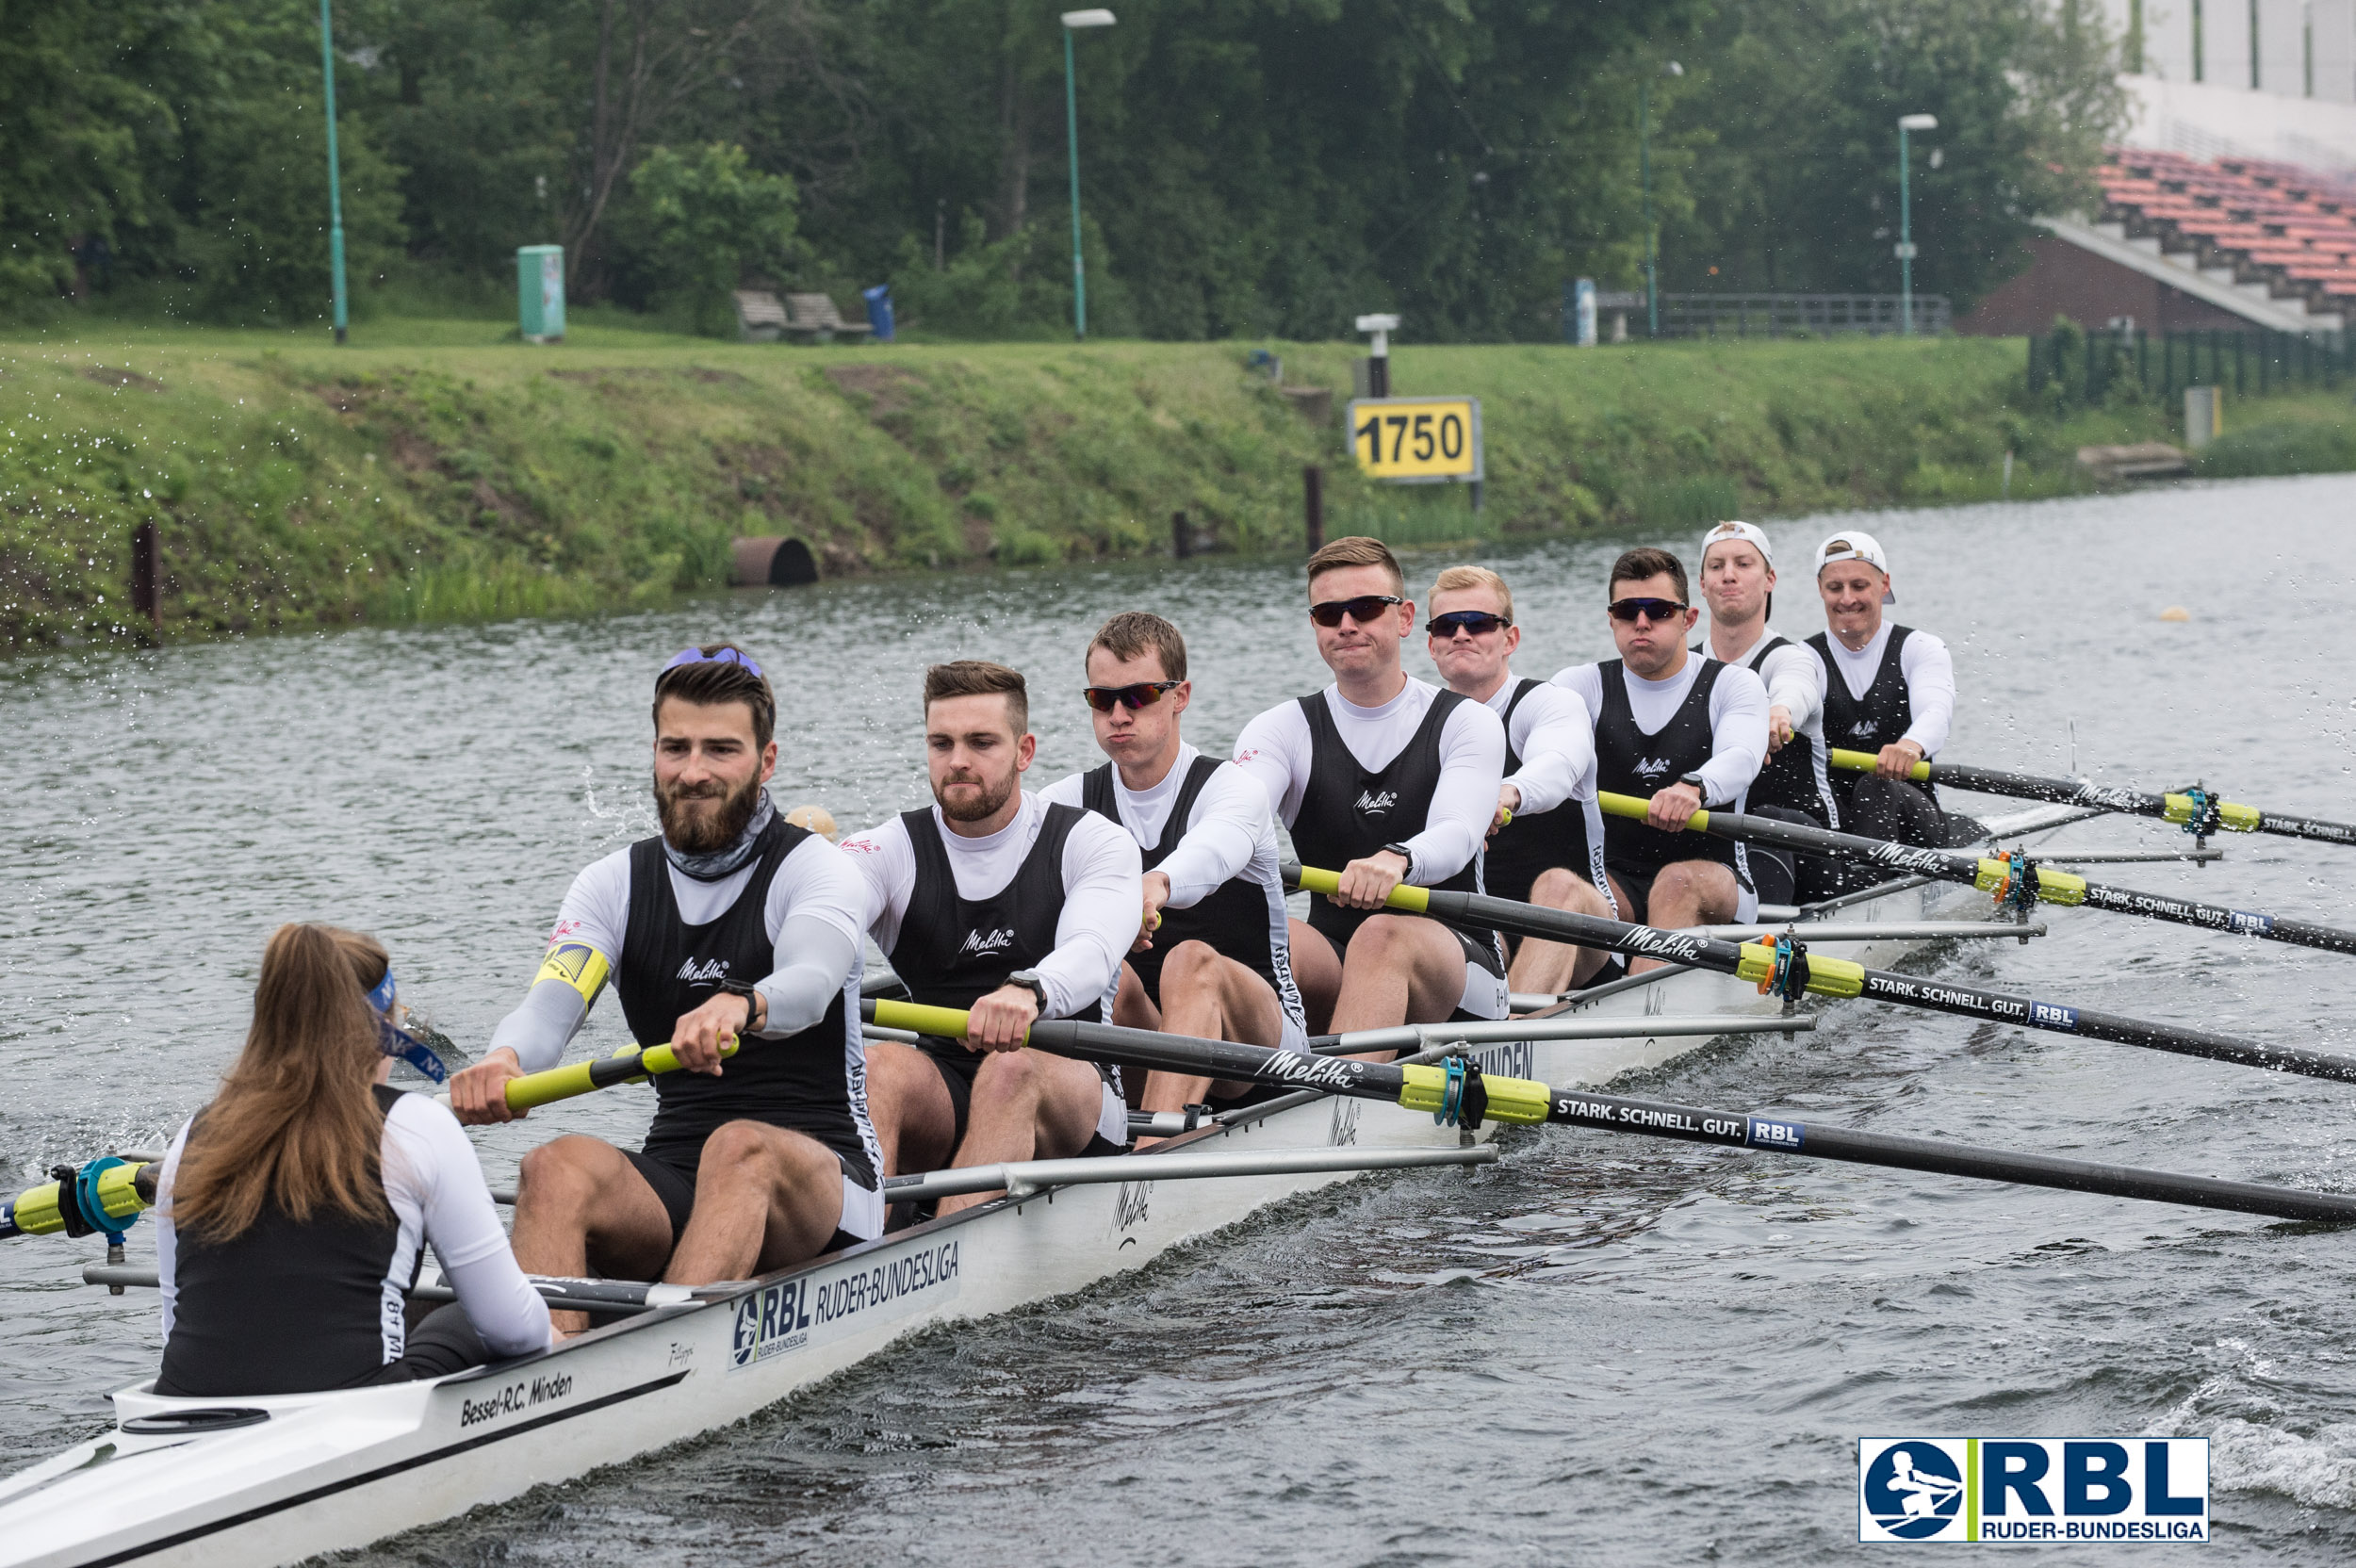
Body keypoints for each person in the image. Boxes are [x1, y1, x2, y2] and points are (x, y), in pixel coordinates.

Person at [447, 645, 882, 1330]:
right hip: (678, 1171)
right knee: (553, 1166)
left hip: (828, 1180)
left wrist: (742, 1004)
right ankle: (539, 1380)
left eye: (721, 750)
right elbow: (548, 1008)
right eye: (674, 747)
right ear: (653, 752)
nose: (693, 771)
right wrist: (506, 1060)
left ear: (766, 763)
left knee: (741, 1146)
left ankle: (653, 1362)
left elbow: (810, 984)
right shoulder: (612, 885)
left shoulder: (818, 872)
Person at [155, 924, 550, 1396]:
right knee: (466, 1312)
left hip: (175, 1403)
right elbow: (514, 1330)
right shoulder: (415, 1123)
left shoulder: (191, 1139)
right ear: (384, 1031)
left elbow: (173, 1324)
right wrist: (562, 1343)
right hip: (354, 1405)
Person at [843, 661, 1141, 1213]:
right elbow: (827, 922)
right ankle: (857, 1254)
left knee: (1010, 1068)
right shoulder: (890, 850)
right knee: (884, 1067)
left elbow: (1095, 950)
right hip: (947, 1091)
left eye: (981, 742)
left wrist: (1030, 990)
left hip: (1072, 1093)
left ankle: (934, 1267)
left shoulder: (1091, 841)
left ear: (1024, 752)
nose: (958, 761)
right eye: (942, 743)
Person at [1233, 536, 1510, 1046]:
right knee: (1240, 941)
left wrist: (1397, 859)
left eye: (1364, 608)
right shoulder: (1279, 730)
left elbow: (1458, 832)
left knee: (1381, 936)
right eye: (1328, 613)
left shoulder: (1465, 722)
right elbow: (1233, 820)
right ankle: (1191, 1117)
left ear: (1404, 619)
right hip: (1334, 952)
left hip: (1459, 959)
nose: (1346, 625)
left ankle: (1330, 1108)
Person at [1037, 612, 1308, 1129]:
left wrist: (1155, 884)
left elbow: (1211, 851)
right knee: (1101, 973)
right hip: (1152, 1033)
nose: (1118, 714)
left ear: (1179, 696)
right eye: (1102, 699)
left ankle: (1148, 1160)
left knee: (1191, 961)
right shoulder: (1067, 802)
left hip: (1260, 1047)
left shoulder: (1234, 790)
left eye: (1137, 696)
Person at [1552, 547, 1770, 972]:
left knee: (1675, 883)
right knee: (1558, 886)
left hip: (1715, 878)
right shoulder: (1579, 686)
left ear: (1688, 619)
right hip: (1614, 879)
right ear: (1611, 618)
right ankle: (1521, 1024)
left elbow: (1742, 756)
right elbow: (1551, 757)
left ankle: (1636, 1019)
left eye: (1658, 610)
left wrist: (1695, 787)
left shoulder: (1733, 685)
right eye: (1627, 610)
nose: (1641, 622)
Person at [1422, 564, 1618, 997]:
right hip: (1476, 930)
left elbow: (1558, 762)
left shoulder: (1549, 705)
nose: (1461, 634)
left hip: (1583, 933)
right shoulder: (1415, 724)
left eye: (1478, 623)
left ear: (1509, 639)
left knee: (1558, 886)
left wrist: (1507, 793)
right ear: (1431, 645)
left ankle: (1516, 1035)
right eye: (1446, 625)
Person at [1693, 520, 1843, 906]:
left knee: (1766, 817)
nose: (1729, 575)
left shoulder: (1790, 659)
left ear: (1769, 579)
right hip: (1720, 846)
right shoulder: (1685, 668)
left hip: (1810, 849)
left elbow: (1797, 689)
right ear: (1702, 584)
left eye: (1743, 564)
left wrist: (1778, 715)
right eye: (1717, 566)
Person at [1806, 531, 1985, 849]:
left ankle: (1867, 890)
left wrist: (1910, 746)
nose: (1847, 598)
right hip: (1837, 826)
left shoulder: (1919, 648)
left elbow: (1936, 711)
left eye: (1859, 586)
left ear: (1884, 584)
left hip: (1914, 824)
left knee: (1877, 786)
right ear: (1821, 589)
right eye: (1835, 588)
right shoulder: (1802, 659)